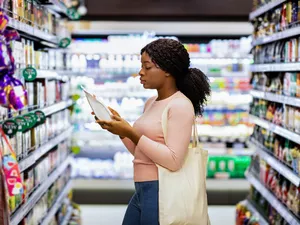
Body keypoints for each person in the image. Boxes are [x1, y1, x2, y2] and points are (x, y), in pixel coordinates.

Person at [94, 38, 211, 225]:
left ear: (167, 71)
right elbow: (142, 153)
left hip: (161, 191)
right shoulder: (151, 103)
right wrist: (119, 130)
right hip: (142, 189)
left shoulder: (180, 105)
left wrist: (132, 133)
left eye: (147, 67)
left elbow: (173, 161)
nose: (141, 73)